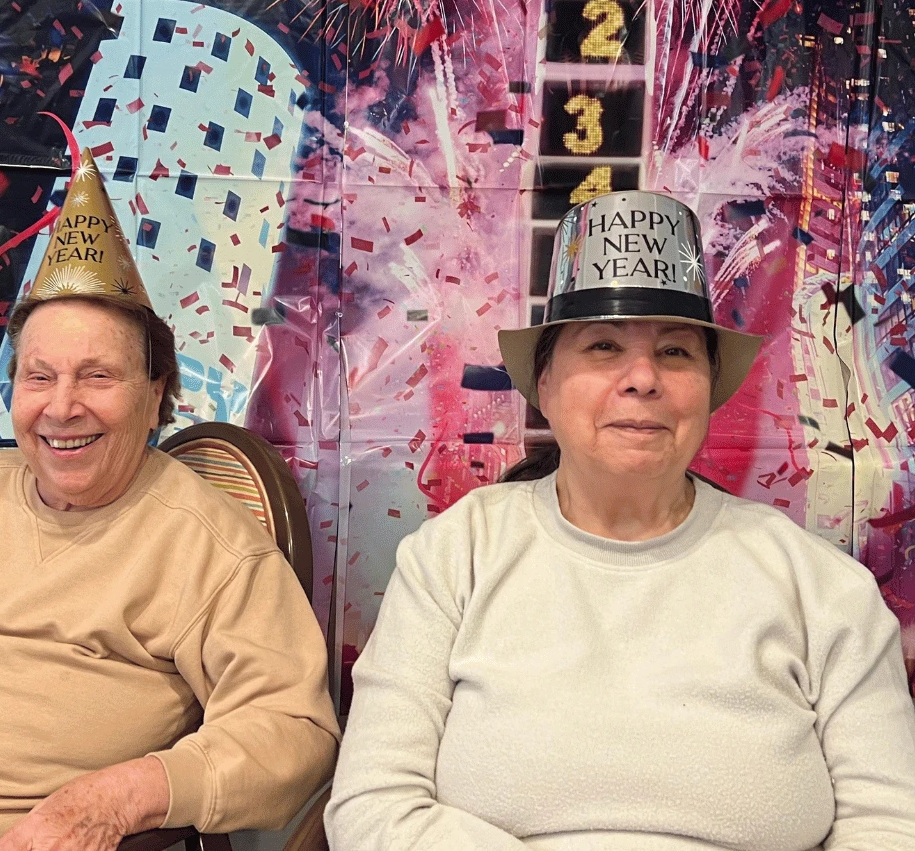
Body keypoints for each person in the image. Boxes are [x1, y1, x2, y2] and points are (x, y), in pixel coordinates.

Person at [325, 190, 915, 851]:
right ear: (544, 386)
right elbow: (374, 806)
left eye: (675, 353)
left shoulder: (821, 587)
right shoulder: (453, 556)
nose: (642, 378)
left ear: (709, 391)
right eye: (604, 346)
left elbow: (891, 822)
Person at [0, 151, 339, 851]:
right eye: (40, 377)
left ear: (155, 391)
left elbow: (294, 734)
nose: (62, 408)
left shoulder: (210, 546)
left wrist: (120, 797)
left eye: (97, 376)